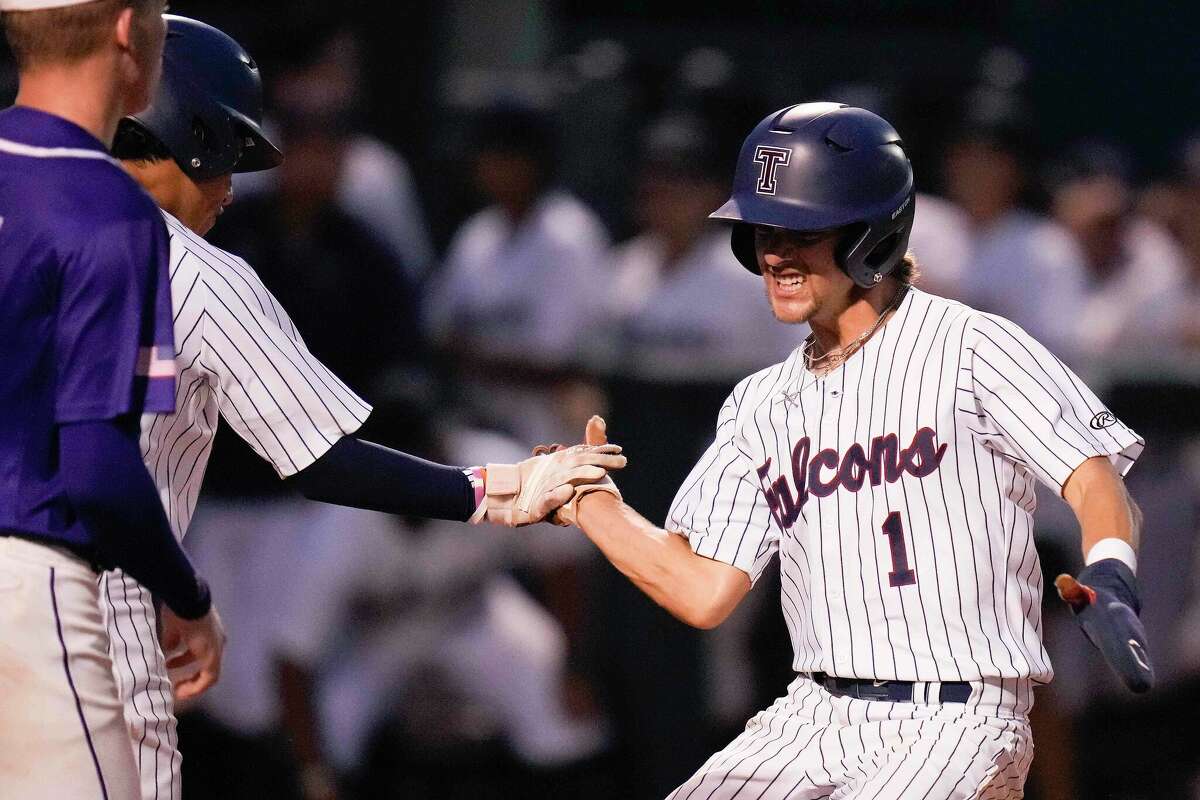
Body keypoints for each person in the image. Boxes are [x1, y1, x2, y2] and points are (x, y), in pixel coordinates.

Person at [556, 103, 1154, 798]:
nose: (775, 252)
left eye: (802, 231)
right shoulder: (759, 403)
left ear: (872, 233)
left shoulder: (969, 345)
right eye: (763, 230)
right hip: (809, 715)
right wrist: (592, 506)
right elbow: (702, 588)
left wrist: (1111, 567)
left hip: (955, 720)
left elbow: (1091, 473)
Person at [107, 16, 623, 800]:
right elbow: (326, 460)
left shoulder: (25, 217)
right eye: (226, 156)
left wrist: (178, 586)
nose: (230, 186)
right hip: (87, 611)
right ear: (184, 131)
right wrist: (495, 490)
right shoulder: (203, 275)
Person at [0, 1, 225, 797]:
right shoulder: (107, 207)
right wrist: (187, 595)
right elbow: (96, 466)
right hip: (25, 589)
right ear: (129, 30)